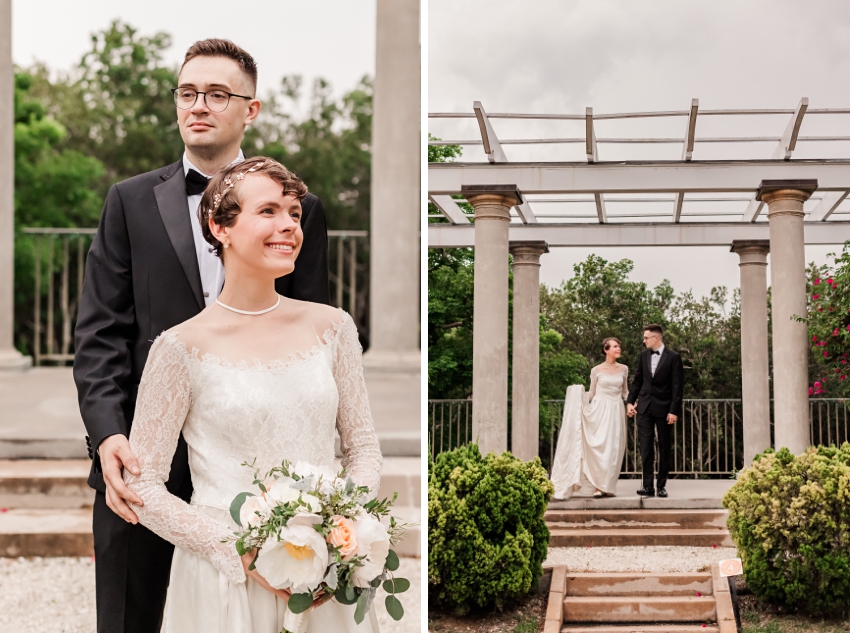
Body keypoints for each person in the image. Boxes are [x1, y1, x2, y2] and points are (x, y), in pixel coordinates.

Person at [73, 39, 330, 633]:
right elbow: (100, 333)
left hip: (257, 472)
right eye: (188, 93)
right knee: (128, 620)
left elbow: (312, 339)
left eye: (217, 94)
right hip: (142, 462)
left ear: (252, 109)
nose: (199, 106)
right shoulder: (128, 200)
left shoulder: (301, 212)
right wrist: (108, 434)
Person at [123, 157, 381, 632]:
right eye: (269, 211)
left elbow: (363, 448)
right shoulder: (178, 348)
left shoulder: (334, 328)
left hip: (324, 582)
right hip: (227, 583)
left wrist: (339, 526)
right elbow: (142, 485)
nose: (289, 226)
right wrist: (237, 547)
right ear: (220, 227)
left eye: (295, 215)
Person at [550, 337, 628, 499]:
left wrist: (633, 404)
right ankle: (598, 487)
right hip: (599, 410)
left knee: (613, 449)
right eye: (614, 346)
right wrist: (577, 395)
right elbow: (592, 393)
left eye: (618, 346)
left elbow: (625, 392)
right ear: (606, 350)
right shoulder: (596, 370)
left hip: (616, 410)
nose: (618, 348)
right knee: (599, 447)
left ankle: (607, 486)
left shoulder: (623, 369)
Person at [626, 324, 684, 498]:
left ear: (656, 338)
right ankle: (647, 486)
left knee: (664, 447)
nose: (644, 341)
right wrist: (630, 402)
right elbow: (637, 381)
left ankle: (661, 486)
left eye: (646, 338)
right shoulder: (643, 356)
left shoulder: (674, 357)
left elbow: (677, 387)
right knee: (645, 448)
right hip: (644, 407)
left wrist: (673, 411)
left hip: (665, 409)